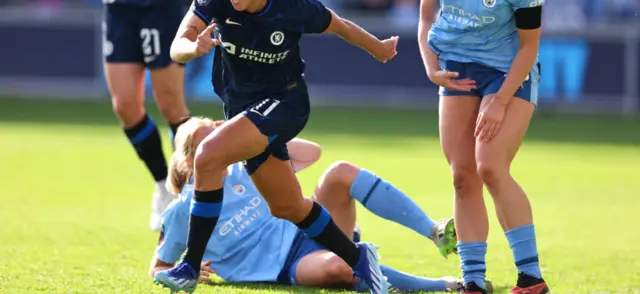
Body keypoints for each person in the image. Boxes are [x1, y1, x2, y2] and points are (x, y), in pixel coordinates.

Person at [153, 0, 399, 293]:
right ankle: (358, 259)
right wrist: (194, 47)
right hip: (244, 110)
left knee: (206, 156)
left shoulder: (291, 7)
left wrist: (377, 48)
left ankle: (188, 267)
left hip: (285, 104)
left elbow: (340, 25)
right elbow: (177, 47)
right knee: (287, 206)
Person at [43, 0, 277, 231]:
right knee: (125, 106)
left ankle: (194, 188)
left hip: (158, 4)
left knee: (171, 107)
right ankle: (162, 184)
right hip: (118, 9)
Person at [414, 0, 549, 294]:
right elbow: (425, 22)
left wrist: (499, 100)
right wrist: (431, 68)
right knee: (461, 177)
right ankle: (473, 281)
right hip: (455, 67)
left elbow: (529, 45)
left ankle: (530, 278)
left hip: (508, 71)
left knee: (490, 166)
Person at [150, 117, 467, 293]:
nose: (220, 144)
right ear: (190, 159)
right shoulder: (181, 210)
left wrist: (248, 134)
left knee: (339, 172)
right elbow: (158, 267)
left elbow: (311, 152)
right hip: (289, 265)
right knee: (340, 268)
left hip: (312, 225)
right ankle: (446, 286)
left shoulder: (246, 168)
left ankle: (433, 231)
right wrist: (187, 268)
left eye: (221, 135)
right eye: (212, 141)